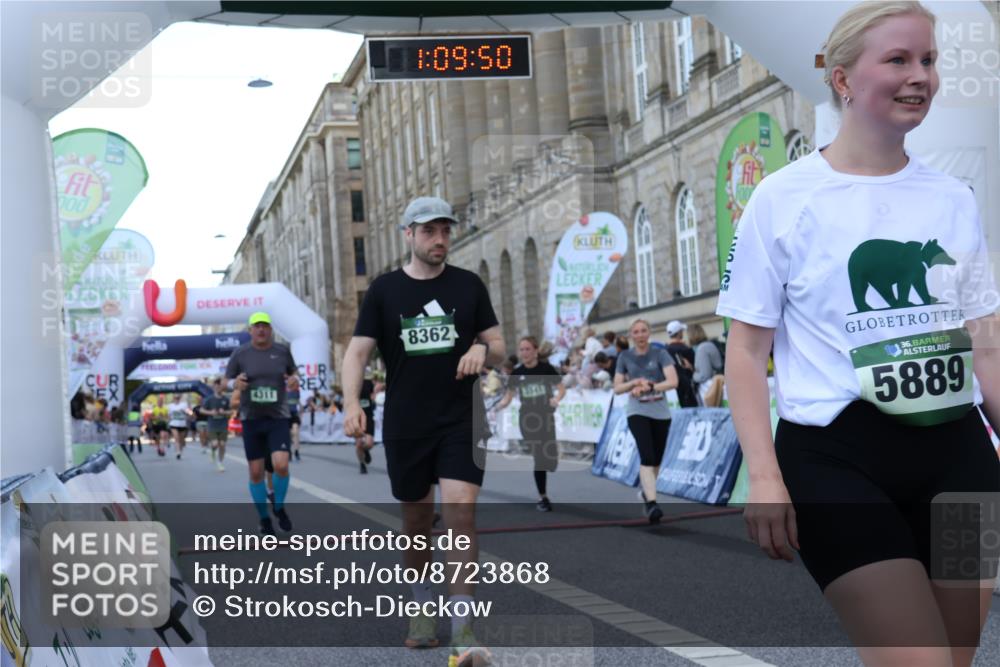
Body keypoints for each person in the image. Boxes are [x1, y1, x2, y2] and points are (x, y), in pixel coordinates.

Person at [717, 3, 1000, 665]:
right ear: (842, 79)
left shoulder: (952, 198)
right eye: (898, 60)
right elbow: (745, 349)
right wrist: (764, 476)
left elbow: (985, 342)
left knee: (957, 658)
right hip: (835, 460)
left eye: (927, 60)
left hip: (959, 459)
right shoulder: (782, 198)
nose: (919, 76)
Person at [342, 196, 505, 663]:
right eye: (430, 231)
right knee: (416, 522)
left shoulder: (468, 286)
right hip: (407, 422)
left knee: (460, 513)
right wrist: (353, 404)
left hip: (462, 418)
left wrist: (481, 350)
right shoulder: (384, 291)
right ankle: (419, 613)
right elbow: (356, 354)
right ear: (408, 234)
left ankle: (464, 633)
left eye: (446, 231)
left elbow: (498, 344)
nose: (440, 240)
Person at [226, 311, 299, 536]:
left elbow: (293, 373)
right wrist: (235, 383)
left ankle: (278, 507)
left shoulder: (282, 351)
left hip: (278, 417)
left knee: (281, 465)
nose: (261, 329)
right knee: (256, 472)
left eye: (265, 326)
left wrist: (295, 379)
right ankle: (265, 519)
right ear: (250, 331)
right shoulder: (241, 353)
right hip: (252, 419)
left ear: (270, 330)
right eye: (256, 326)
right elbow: (228, 380)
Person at [613, 319, 678, 523]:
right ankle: (651, 504)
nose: (640, 335)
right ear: (631, 335)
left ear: (649, 333)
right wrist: (633, 382)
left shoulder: (660, 354)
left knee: (657, 459)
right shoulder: (624, 356)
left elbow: (673, 381)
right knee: (647, 455)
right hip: (637, 411)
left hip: (660, 412)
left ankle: (646, 492)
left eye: (643, 331)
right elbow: (617, 387)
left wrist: (651, 386)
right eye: (636, 332)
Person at [496, 336, 565, 512]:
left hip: (547, 417)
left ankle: (549, 462)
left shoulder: (546, 369)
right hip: (528, 420)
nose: (524, 353)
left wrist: (556, 399)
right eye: (522, 349)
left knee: (550, 460)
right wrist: (500, 405)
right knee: (539, 458)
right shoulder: (517, 373)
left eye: (528, 349)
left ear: (535, 351)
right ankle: (543, 497)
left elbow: (561, 389)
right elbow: (509, 396)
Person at [689, 323, 725, 407]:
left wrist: (693, 375)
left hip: (709, 386)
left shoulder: (702, 348)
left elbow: (704, 375)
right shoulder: (708, 345)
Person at [202, 377, 230, 472]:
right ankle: (213, 451)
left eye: (219, 386)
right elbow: (201, 410)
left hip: (223, 425)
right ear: (214, 387)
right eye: (216, 386)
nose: (218, 388)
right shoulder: (209, 399)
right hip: (212, 425)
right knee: (215, 444)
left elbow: (232, 411)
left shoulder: (226, 399)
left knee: (222, 444)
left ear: (222, 387)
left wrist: (225, 412)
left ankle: (220, 463)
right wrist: (211, 412)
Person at [355, 370, 377, 474]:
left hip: (368, 416)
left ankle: (366, 450)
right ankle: (362, 464)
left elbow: (372, 396)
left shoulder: (369, 382)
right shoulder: (353, 383)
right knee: (359, 443)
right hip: (358, 416)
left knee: (369, 443)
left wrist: (374, 398)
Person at [166, 394, 192, 460]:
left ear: (179, 398)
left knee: (181, 440)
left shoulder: (184, 405)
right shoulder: (170, 406)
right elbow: (169, 415)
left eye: (178, 398)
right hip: (174, 424)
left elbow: (189, 412)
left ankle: (180, 451)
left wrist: (185, 412)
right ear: (173, 398)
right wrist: (168, 423)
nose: (176, 399)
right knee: (176, 438)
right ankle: (178, 452)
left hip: (182, 424)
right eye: (175, 398)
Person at [286, 375, 302, 462]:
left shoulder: (297, 392)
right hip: (286, 415)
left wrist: (301, 411)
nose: (297, 385)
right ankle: (289, 451)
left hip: (294, 414)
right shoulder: (285, 392)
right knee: (289, 435)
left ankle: (296, 451)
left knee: (296, 433)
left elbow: (298, 403)